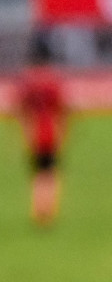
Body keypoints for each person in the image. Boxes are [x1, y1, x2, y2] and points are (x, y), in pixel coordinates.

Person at [15, 44, 67, 227]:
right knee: (50, 173)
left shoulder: (27, 82)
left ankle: (38, 209)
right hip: (50, 131)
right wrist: (63, 133)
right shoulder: (52, 81)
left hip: (33, 132)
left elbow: (20, 108)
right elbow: (63, 109)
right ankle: (48, 211)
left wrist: (25, 131)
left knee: (37, 173)